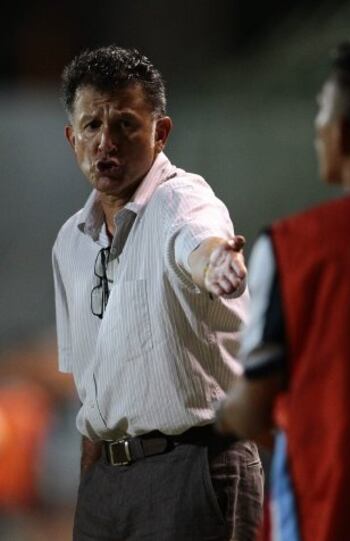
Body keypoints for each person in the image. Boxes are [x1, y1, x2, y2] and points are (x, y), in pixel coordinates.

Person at [52, 45, 263, 541]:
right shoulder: (69, 243)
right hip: (108, 479)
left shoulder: (181, 200)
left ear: (160, 133)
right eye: (91, 127)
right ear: (72, 138)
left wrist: (217, 264)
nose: (107, 143)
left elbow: (200, 241)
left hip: (193, 468)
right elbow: (91, 384)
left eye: (125, 124)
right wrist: (92, 481)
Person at [218, 41, 350, 541]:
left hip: (327, 509)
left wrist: (217, 412)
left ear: (341, 132)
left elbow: (253, 406)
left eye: (321, 111)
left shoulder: (296, 247)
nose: (316, 128)